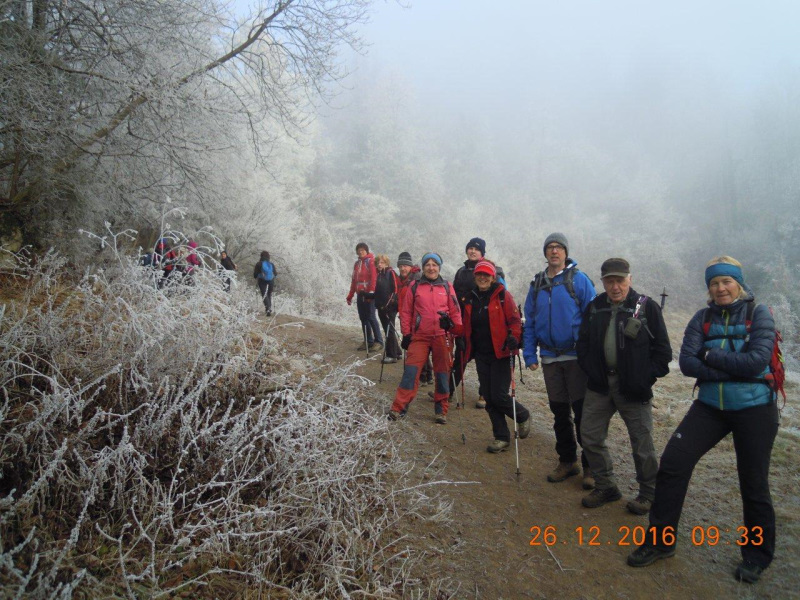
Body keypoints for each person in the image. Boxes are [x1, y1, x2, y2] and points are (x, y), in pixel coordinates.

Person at [628, 256, 778, 584]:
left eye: (726, 281)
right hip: (710, 407)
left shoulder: (759, 314)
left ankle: (756, 555)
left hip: (755, 409)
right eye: (714, 283)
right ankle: (660, 542)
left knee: (753, 482)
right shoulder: (702, 318)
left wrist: (709, 355)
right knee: (673, 464)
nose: (720, 288)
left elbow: (756, 362)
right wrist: (729, 367)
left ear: (739, 284)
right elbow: (687, 363)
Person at [576, 258, 672, 513]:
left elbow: (663, 353)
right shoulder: (595, 306)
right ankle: (606, 486)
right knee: (590, 436)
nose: (615, 286)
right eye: (609, 281)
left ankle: (649, 493)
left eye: (620, 280)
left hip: (633, 387)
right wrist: (591, 370)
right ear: (603, 282)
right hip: (600, 384)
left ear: (630, 279)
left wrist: (643, 378)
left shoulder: (647, 307)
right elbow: (582, 344)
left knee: (642, 443)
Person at [523, 233, 596, 488]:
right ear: (545, 252)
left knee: (583, 413)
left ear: (565, 252)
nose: (554, 251)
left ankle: (591, 466)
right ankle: (567, 461)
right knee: (559, 412)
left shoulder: (579, 280)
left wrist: (591, 355)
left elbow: (593, 318)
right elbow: (530, 322)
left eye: (559, 247)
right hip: (549, 358)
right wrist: (529, 354)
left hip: (576, 357)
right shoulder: (537, 284)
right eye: (550, 247)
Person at [461, 259, 531, 452]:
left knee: (499, 396)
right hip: (481, 354)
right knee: (489, 398)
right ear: (475, 276)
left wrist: (514, 337)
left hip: (501, 353)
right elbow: (465, 326)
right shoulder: (470, 298)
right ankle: (501, 437)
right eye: (479, 274)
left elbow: (515, 321)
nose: (482, 277)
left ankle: (523, 415)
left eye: (486, 275)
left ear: (493, 277)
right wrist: (451, 327)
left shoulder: (502, 295)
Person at [389, 252, 462, 424]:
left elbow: (455, 312)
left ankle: (441, 410)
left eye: (434, 265)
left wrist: (457, 331)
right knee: (411, 372)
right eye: (427, 265)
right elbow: (406, 311)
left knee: (442, 374)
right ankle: (398, 408)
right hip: (419, 337)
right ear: (423, 268)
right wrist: (406, 334)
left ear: (439, 267)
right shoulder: (414, 286)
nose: (431, 268)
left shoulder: (447, 287)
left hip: (442, 336)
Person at [451, 237, 506, 408]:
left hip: (485, 324)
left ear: (482, 253)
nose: (472, 251)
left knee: (485, 359)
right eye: (470, 248)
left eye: (476, 249)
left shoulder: (494, 271)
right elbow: (453, 297)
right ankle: (448, 391)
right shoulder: (461, 272)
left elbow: (502, 296)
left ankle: (484, 394)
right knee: (460, 358)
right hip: (464, 323)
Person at [397, 252, 433, 385]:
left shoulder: (416, 280)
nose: (403, 268)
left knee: (416, 349)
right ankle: (427, 375)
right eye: (400, 266)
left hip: (415, 321)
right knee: (418, 348)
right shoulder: (403, 280)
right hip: (407, 318)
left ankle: (423, 376)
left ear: (410, 266)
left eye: (405, 266)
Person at [346, 243, 383, 351]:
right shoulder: (357, 264)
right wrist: (350, 295)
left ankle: (379, 341)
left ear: (366, 251)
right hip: (360, 295)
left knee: (371, 317)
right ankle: (368, 341)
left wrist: (371, 293)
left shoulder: (371, 261)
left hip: (369, 294)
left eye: (362, 250)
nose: (360, 252)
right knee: (363, 318)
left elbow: (374, 278)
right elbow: (354, 281)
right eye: (358, 250)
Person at [374, 254, 402, 363]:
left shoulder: (391, 273)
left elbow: (395, 290)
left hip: (390, 307)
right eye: (378, 263)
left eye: (382, 262)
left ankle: (391, 355)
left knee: (389, 330)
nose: (379, 264)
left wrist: (388, 305)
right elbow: (379, 292)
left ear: (387, 263)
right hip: (381, 307)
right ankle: (397, 352)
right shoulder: (380, 274)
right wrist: (368, 296)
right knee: (388, 329)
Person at [253, 250, 277, 316]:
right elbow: (275, 274)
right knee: (269, 294)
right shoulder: (271, 264)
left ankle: (268, 308)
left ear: (261, 256)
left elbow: (255, 275)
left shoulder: (259, 264)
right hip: (271, 280)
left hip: (262, 280)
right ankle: (269, 309)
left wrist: (257, 276)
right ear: (268, 257)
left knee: (264, 294)